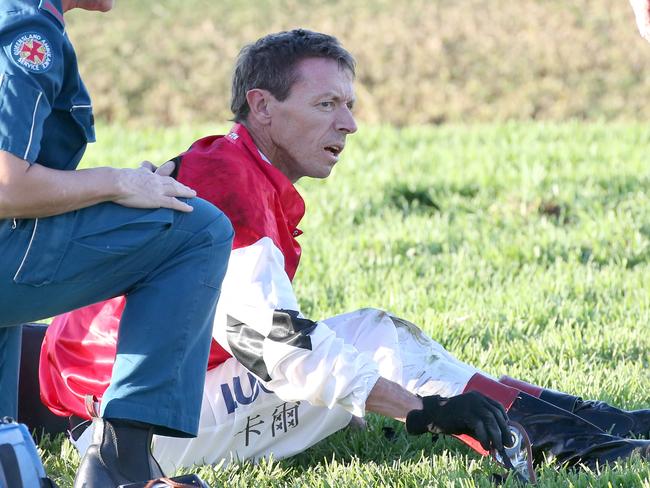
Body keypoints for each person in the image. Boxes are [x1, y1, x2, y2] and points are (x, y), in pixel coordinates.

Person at [38, 29, 650, 479]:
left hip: (140, 404)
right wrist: (423, 411)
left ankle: (601, 426)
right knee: (371, 337)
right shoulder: (228, 180)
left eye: (349, 104)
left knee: (359, 345)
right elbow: (272, 345)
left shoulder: (232, 164)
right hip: (119, 433)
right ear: (263, 107)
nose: (349, 124)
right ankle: (583, 439)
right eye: (326, 105)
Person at [0, 1, 233, 487]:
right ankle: (122, 462)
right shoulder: (27, 30)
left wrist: (125, 185)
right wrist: (115, 183)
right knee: (197, 230)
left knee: (7, 456)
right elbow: (6, 185)